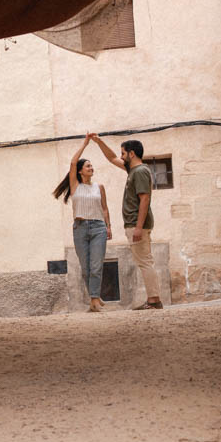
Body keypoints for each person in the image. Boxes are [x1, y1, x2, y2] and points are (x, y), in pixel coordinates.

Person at [92, 134, 162, 309]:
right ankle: (153, 299)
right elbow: (111, 158)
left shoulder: (139, 172)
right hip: (134, 223)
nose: (121, 156)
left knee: (144, 261)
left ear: (131, 154)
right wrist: (99, 142)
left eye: (123, 153)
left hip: (137, 225)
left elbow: (144, 199)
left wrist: (138, 227)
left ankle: (154, 300)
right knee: (145, 260)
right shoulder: (134, 170)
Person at [52, 133, 112, 312]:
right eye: (88, 166)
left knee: (96, 265)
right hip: (80, 228)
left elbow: (105, 208)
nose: (91, 168)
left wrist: (108, 227)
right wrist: (85, 144)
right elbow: (72, 162)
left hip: (98, 228)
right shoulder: (75, 186)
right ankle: (94, 295)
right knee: (86, 268)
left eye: (92, 165)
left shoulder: (99, 187)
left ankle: (94, 300)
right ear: (80, 170)